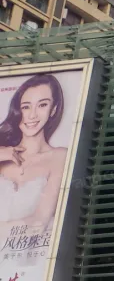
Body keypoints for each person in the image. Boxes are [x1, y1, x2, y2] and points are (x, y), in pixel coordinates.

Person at [0, 73, 68, 250]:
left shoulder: (59, 157)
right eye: (26, 107)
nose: (32, 115)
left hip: (26, 258)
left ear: (53, 109)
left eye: (42, 105)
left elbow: (39, 222)